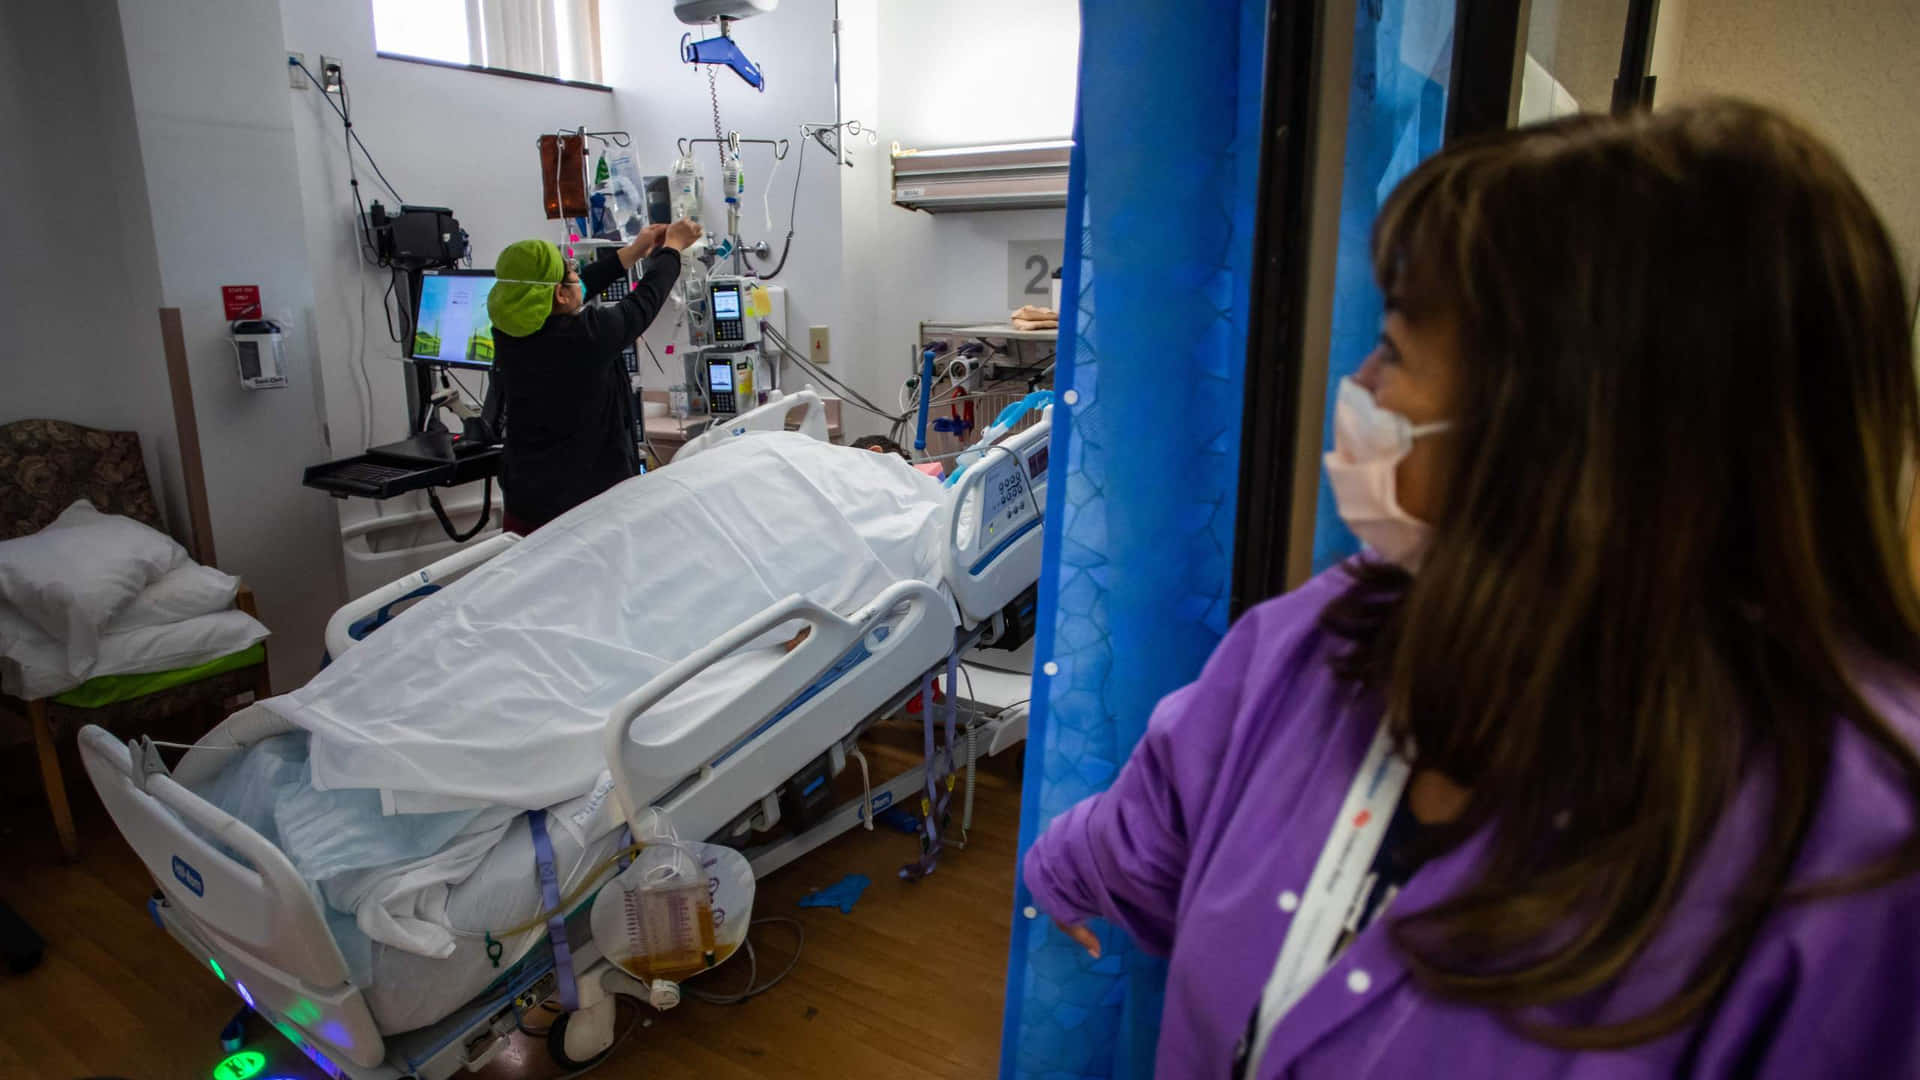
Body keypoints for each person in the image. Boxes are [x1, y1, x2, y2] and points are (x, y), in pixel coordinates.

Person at [1022, 99, 1920, 1077]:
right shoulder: (1332, 635)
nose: (1360, 383)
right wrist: (1061, 868)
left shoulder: (1858, 865)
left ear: (1573, 422)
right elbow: (1163, 812)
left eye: (1397, 349)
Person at [486, 218, 702, 534]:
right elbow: (644, 301)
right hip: (581, 512)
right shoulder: (586, 337)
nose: (578, 274)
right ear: (559, 294)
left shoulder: (509, 331)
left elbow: (577, 287)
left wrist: (634, 252)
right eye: (571, 269)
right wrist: (672, 248)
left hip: (525, 502)